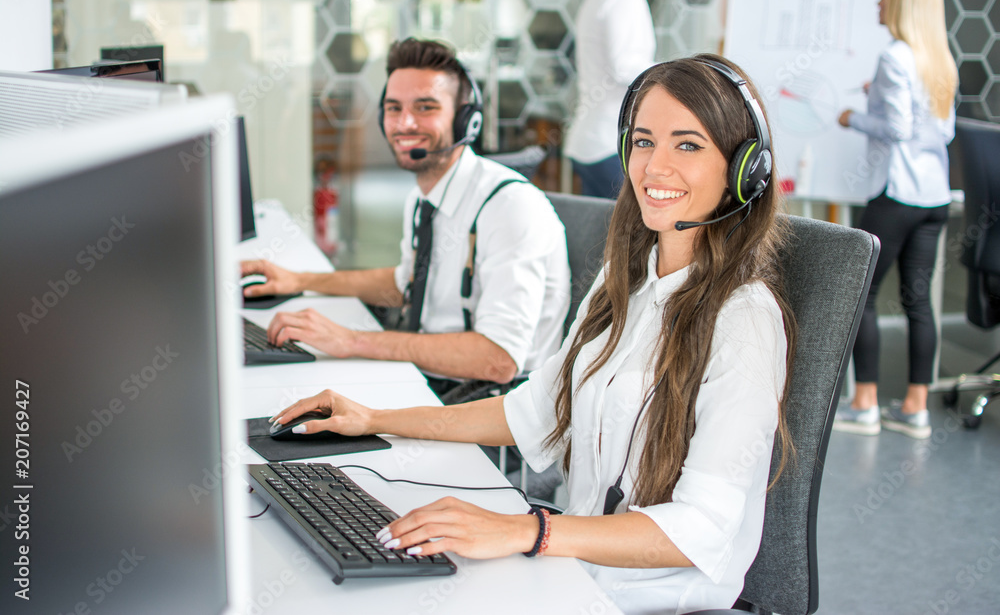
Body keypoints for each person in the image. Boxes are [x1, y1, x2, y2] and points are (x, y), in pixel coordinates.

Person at [269, 55, 797, 614]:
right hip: (572, 570)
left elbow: (700, 528)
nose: (654, 167)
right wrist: (374, 420)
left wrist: (530, 532)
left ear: (744, 170)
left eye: (687, 145)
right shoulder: (626, 283)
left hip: (649, 599)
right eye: (643, 142)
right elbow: (535, 411)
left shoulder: (745, 321)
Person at [242, 38, 570, 397]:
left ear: (466, 121)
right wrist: (299, 280)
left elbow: (498, 359)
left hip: (487, 410)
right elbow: (406, 283)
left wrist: (353, 340)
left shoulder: (509, 208)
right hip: (431, 380)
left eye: (425, 107)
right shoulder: (424, 196)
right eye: (393, 108)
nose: (404, 123)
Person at [833, 0, 957, 440]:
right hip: (934, 196)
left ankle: (864, 404)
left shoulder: (895, 57)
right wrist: (879, 99)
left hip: (897, 194)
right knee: (917, 301)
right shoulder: (938, 58)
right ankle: (915, 409)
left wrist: (854, 117)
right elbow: (936, 129)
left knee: (861, 296)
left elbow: (898, 129)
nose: (878, 4)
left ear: (902, 4)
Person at [562, 0, 670, 199]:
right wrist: (678, 77)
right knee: (631, 234)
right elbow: (625, 66)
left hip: (596, 141)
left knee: (600, 232)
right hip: (609, 144)